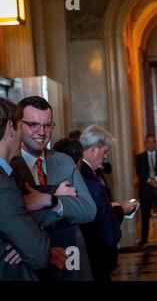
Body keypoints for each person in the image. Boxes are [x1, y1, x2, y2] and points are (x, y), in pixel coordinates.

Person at [10, 96, 96, 280]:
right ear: (18, 125)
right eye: (33, 124)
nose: (41, 132)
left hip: (69, 258)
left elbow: (89, 210)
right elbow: (10, 216)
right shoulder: (9, 164)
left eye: (47, 125)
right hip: (27, 261)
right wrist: (26, 239)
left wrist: (55, 202)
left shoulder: (64, 162)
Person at [53, 135, 135, 281]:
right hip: (93, 263)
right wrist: (119, 209)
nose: (105, 156)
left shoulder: (46, 188)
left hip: (60, 262)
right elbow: (111, 235)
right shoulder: (92, 188)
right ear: (78, 161)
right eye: (105, 151)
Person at [0, 98, 50, 280]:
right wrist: (31, 239)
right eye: (21, 126)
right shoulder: (3, 187)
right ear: (9, 129)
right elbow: (39, 254)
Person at [136, 134, 157, 245]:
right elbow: (139, 171)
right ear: (145, 144)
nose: (151, 144)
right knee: (145, 215)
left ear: (155, 143)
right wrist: (149, 180)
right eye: (148, 142)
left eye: (153, 142)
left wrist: (156, 179)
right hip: (146, 189)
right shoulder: (140, 157)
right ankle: (144, 239)